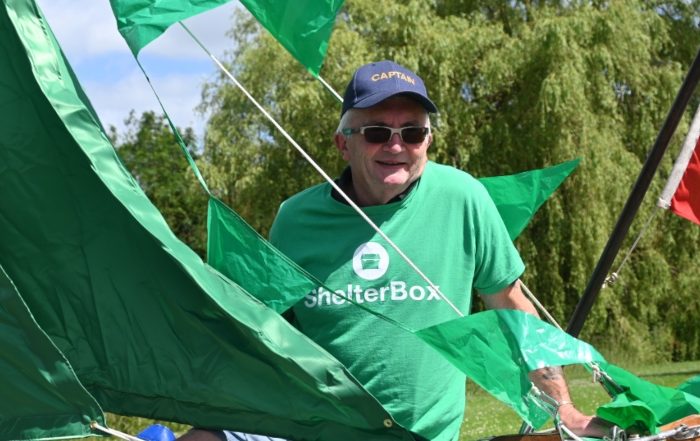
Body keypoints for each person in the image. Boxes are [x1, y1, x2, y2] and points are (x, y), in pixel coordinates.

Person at [182, 61, 609, 441]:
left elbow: (513, 309)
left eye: (413, 132)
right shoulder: (295, 219)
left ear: (428, 140)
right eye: (376, 132)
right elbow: (268, 328)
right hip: (316, 425)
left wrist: (562, 410)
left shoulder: (463, 197)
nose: (396, 145)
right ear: (343, 144)